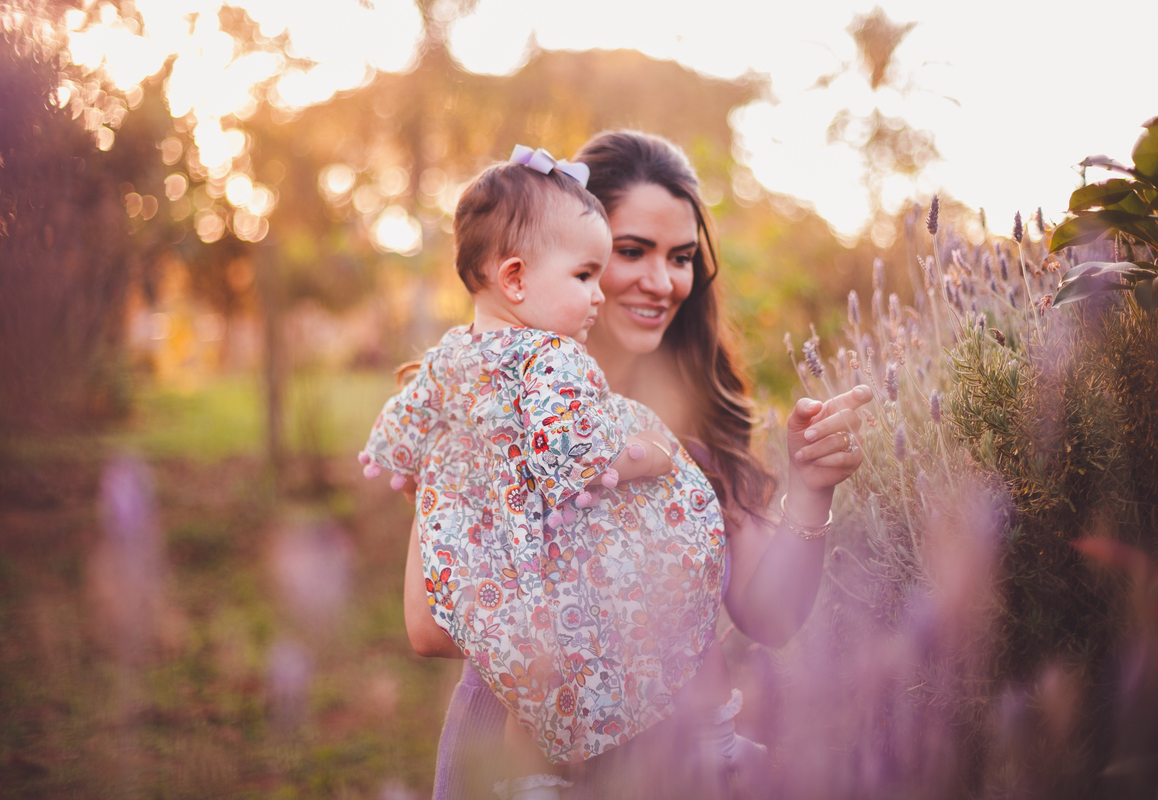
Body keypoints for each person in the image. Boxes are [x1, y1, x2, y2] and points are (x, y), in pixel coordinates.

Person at [406, 131, 872, 799]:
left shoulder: (697, 428)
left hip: (687, 765)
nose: (662, 282)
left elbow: (768, 618)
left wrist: (811, 491)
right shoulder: (490, 408)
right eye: (632, 252)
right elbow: (427, 623)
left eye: (681, 258)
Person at [363, 146, 761, 796]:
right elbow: (573, 458)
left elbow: (412, 409)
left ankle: (543, 777)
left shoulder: (457, 359)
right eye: (592, 271)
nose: (601, 292)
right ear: (517, 279)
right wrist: (643, 457)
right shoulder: (554, 361)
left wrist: (393, 454)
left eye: (681, 257)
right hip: (539, 658)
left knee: (546, 716)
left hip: (551, 650)